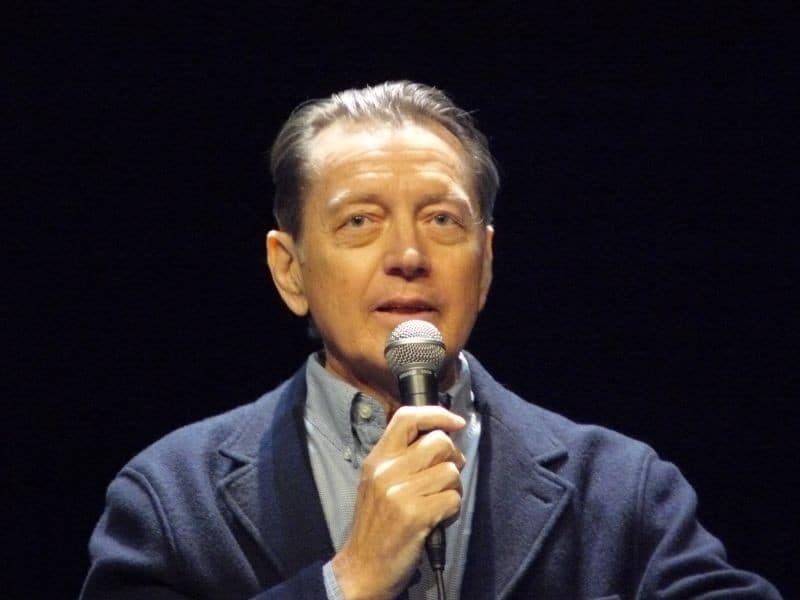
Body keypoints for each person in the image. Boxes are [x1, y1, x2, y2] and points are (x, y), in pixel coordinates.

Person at [80, 81, 782, 599]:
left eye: (443, 220)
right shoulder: (173, 498)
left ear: (485, 265)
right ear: (290, 270)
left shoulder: (622, 491)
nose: (409, 255)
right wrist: (347, 582)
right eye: (360, 222)